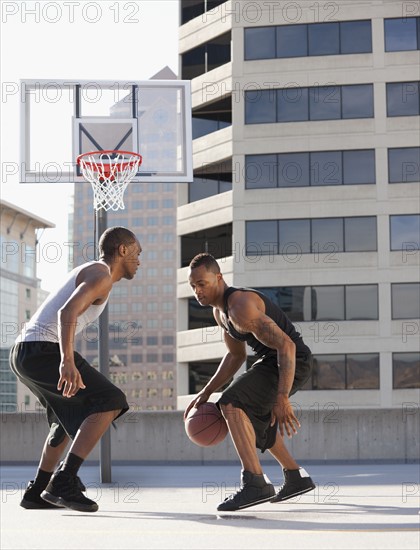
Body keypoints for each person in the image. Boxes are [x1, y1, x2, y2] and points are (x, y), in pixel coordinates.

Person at [9, 226, 142, 513]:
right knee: (110, 400)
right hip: (42, 349)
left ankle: (37, 491)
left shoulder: (95, 272)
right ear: (122, 250)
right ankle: (64, 481)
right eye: (137, 253)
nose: (139, 260)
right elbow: (66, 312)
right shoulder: (102, 274)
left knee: (63, 421)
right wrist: (66, 360)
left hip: (26, 352)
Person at [185, 253, 315, 511]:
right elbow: (236, 355)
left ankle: (255, 483)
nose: (197, 291)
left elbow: (287, 346)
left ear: (218, 278)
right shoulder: (220, 313)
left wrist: (282, 397)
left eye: (202, 283)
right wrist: (207, 390)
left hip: (292, 360)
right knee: (252, 419)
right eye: (193, 286)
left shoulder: (239, 306)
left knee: (232, 403)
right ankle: (296, 477)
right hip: (271, 361)